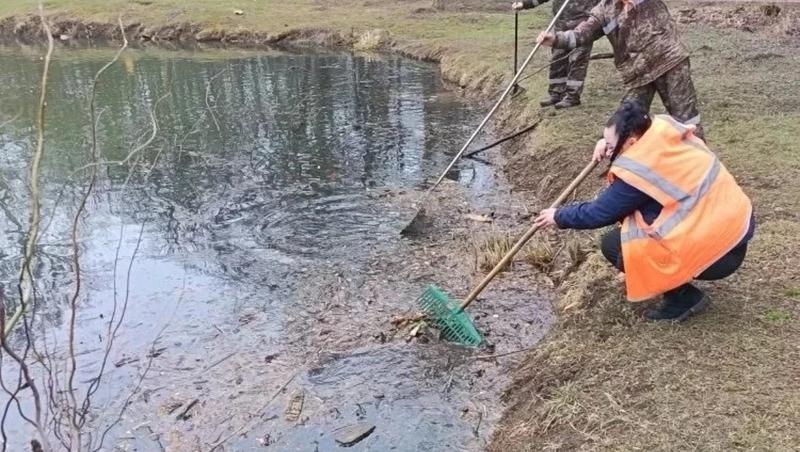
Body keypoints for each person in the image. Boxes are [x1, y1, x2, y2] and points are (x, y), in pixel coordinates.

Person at [533, 101, 754, 321]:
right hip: (736, 229)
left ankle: (683, 297)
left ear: (631, 141)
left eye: (611, 145)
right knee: (637, 222)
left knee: (615, 246)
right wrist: (606, 142)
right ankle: (677, 278)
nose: (608, 150)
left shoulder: (641, 170)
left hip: (720, 253)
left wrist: (557, 216)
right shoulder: (662, 132)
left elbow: (598, 213)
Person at [535, 0, 704, 138]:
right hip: (638, 73)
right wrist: (555, 39)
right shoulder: (603, 10)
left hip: (669, 61)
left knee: (686, 120)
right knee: (625, 122)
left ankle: (700, 166)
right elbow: (581, 34)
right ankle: (623, 169)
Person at [512, 0, 599, 108]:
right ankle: (556, 93)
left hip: (583, 28)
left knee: (577, 62)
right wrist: (525, 4)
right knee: (557, 60)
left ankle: (572, 97)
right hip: (561, 26)